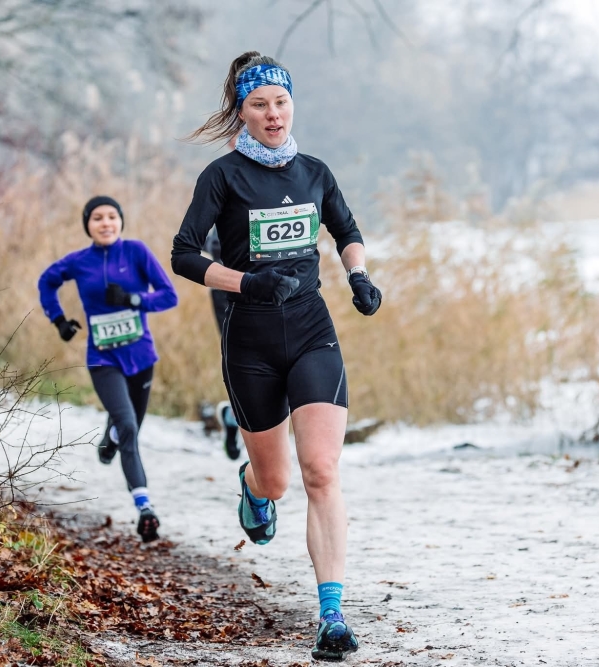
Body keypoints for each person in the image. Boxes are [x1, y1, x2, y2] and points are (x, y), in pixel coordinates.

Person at [171, 51, 382, 662]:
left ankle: (331, 616)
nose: (272, 114)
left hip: (313, 332)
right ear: (242, 110)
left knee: (322, 472)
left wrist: (359, 277)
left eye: (281, 103)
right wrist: (247, 283)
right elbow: (184, 255)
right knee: (279, 481)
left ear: (293, 106)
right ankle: (251, 485)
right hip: (251, 342)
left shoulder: (314, 171)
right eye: (259, 105)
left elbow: (346, 230)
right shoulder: (223, 176)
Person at [38, 196, 178, 543]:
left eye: (112, 216)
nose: (105, 223)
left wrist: (134, 300)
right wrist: (58, 321)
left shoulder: (137, 252)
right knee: (129, 427)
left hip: (142, 357)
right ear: (87, 224)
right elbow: (46, 282)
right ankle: (145, 508)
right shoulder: (79, 261)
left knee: (126, 429)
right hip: (103, 359)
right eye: (97, 218)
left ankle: (109, 437)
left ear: (121, 221)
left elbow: (168, 295)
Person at [203, 227, 242, 460]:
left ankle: (232, 414)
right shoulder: (226, 193)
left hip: (275, 289)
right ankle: (235, 415)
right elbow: (200, 241)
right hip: (228, 290)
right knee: (244, 359)